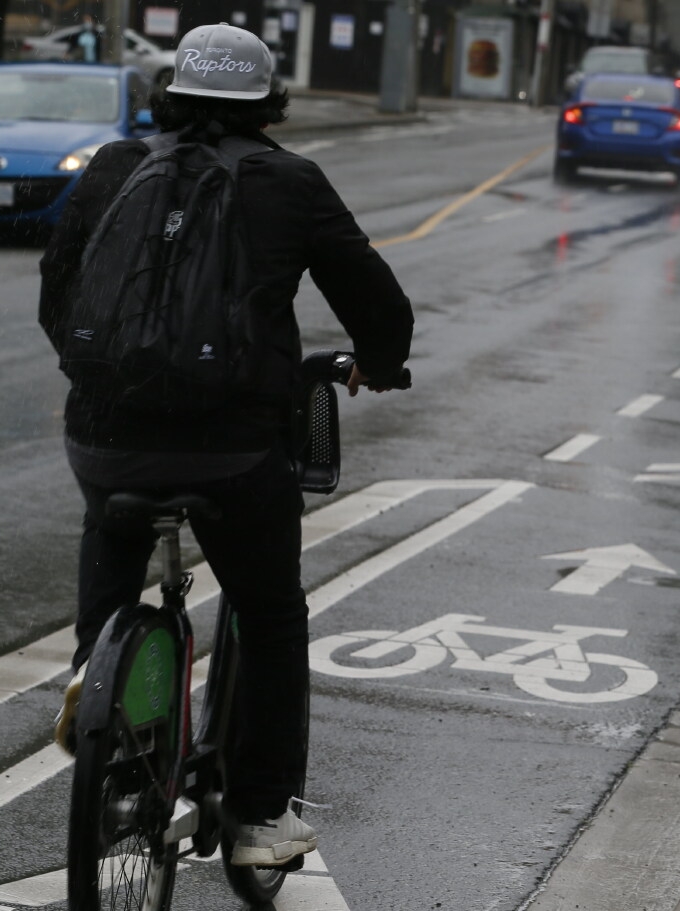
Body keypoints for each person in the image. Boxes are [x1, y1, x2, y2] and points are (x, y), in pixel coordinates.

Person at [38, 23, 413, 868]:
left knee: (113, 525)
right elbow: (379, 305)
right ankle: (256, 817)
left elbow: (57, 292)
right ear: (270, 103)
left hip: (104, 434)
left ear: (170, 91)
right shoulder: (291, 182)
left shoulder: (111, 169)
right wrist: (380, 367)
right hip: (233, 451)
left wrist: (109, 377)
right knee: (272, 611)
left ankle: (98, 675)